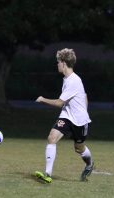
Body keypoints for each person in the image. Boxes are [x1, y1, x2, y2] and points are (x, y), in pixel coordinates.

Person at [34, 48, 94, 183]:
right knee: (52, 137)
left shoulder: (73, 81)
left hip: (79, 121)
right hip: (67, 116)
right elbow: (84, 95)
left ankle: (89, 164)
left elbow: (60, 103)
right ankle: (47, 174)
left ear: (64, 63)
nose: (57, 65)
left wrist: (42, 99)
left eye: (58, 62)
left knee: (79, 149)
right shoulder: (67, 79)